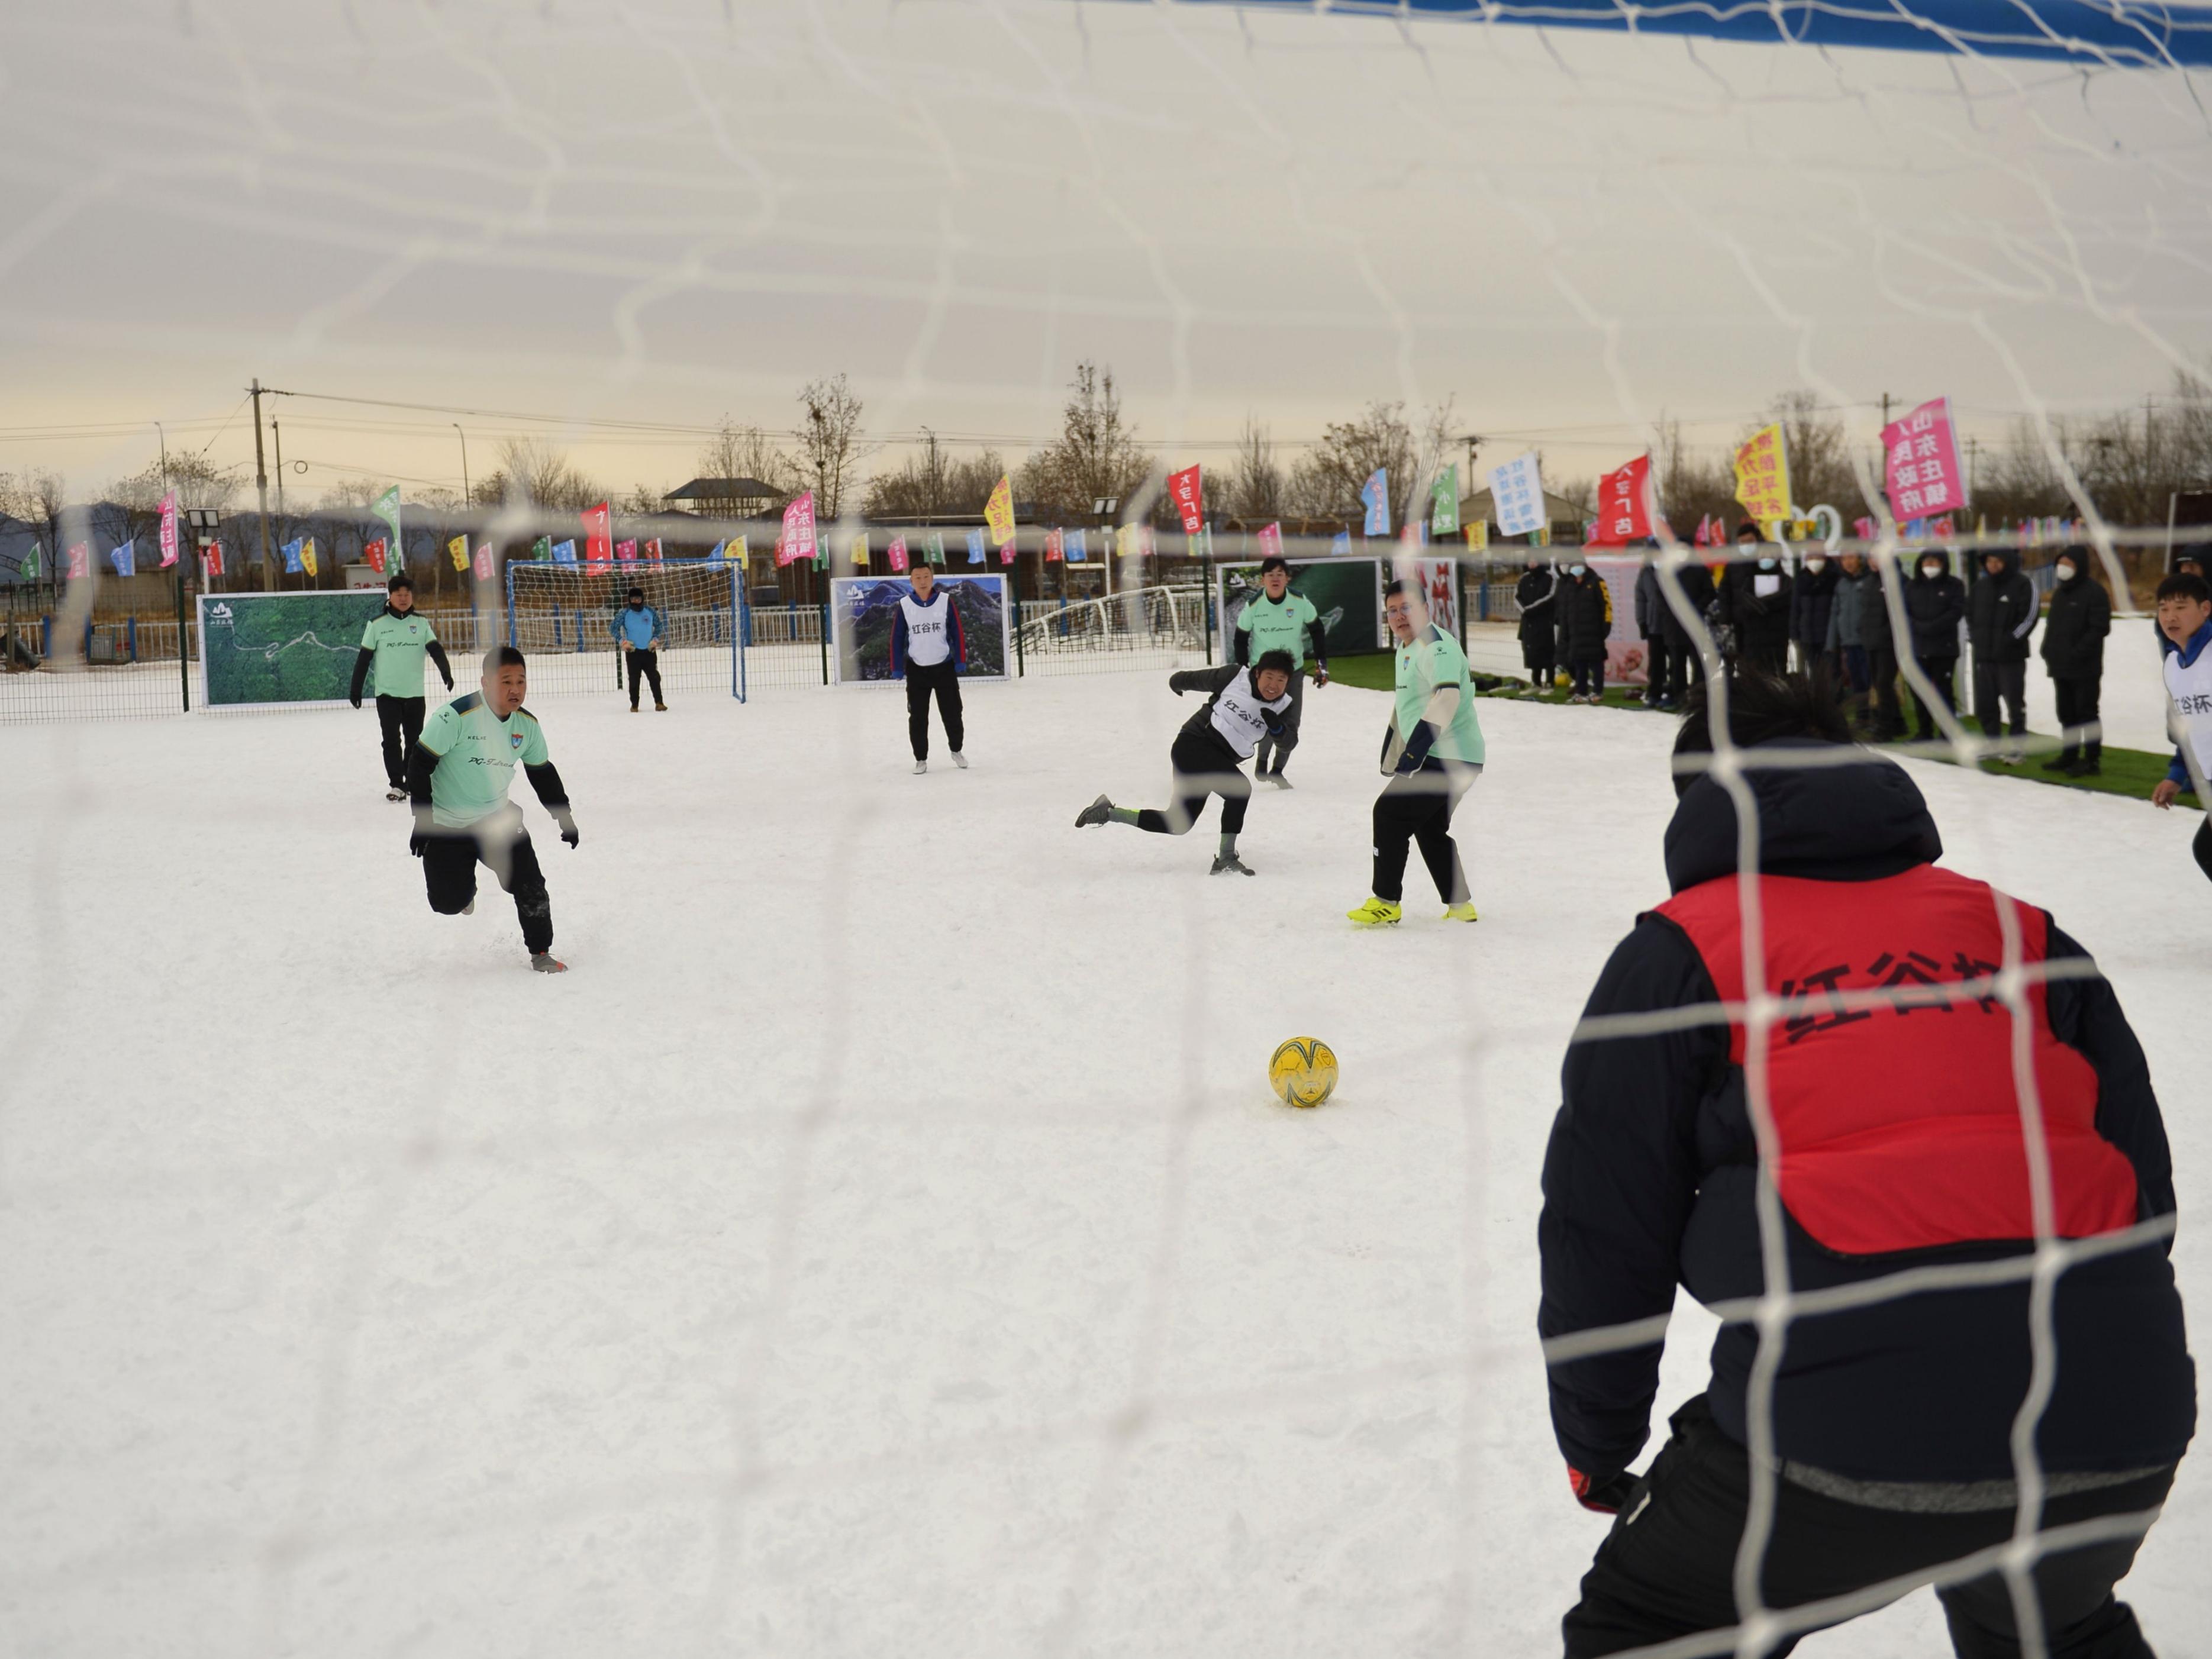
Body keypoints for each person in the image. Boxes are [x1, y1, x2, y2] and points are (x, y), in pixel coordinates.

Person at [1539, 670, 2192, 1658]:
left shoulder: (1682, 949)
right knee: (2042, 1621)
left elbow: (1604, 1218)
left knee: (1643, 1627)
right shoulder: (2014, 926)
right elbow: (2140, 1180)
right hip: (2113, 1408)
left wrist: (1597, 1442)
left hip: (1832, 1432)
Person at [407, 647, 579, 974]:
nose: (515, 689)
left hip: (498, 820)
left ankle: (540, 951)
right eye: (506, 682)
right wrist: (423, 820)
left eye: (521, 681)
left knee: (530, 886)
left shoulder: (526, 726)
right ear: (485, 683)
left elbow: (541, 772)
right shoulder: (455, 717)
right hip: (448, 825)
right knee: (447, 903)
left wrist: (564, 816)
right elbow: (419, 764)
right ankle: (464, 891)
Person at [1074, 651, 1294, 876]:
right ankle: (1226, 857)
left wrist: (1277, 729)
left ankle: (1108, 813)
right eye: (1269, 677)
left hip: (1218, 761)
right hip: (1193, 745)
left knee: (1178, 824)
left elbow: (1288, 743)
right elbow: (1196, 679)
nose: (1273, 686)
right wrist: (1177, 681)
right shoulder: (1234, 677)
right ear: (1257, 673)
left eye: (1281, 680)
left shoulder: (1284, 705)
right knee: (1239, 790)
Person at [1347, 581, 1484, 926]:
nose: (1398, 616)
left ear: (1425, 609)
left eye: (1406, 608)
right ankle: (1460, 905)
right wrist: (1396, 748)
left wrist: (1416, 751)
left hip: (1447, 757)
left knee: (1389, 813)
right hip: (1447, 756)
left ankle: (1386, 901)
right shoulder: (1407, 648)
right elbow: (1407, 706)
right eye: (1391, 611)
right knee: (1428, 827)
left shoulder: (1436, 647)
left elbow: (1447, 698)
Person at [349, 573, 454, 801]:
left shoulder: (421, 623)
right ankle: (396, 784)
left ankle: (411, 781)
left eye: (407, 594)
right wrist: (355, 689)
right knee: (391, 740)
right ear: (391, 596)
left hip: (415, 694)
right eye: (399, 595)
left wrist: (446, 672)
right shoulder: (377, 625)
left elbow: (435, 649)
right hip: (387, 694)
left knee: (414, 740)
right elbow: (364, 659)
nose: (404, 598)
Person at [1234, 555, 1329, 786]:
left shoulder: (1299, 601)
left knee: (1292, 722)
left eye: (1280, 574)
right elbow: (1240, 637)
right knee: (1268, 718)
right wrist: (1244, 669)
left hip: (1293, 672)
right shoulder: (1255, 605)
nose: (1275, 579)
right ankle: (1262, 760)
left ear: (1287, 578)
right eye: (1270, 575)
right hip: (1263, 673)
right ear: (1263, 580)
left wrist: (1321, 664)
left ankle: (1278, 770)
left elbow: (1317, 629)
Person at [2152, 572, 2212, 887]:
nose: (2170, 617)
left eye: (2180, 607)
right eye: (2163, 608)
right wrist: (2178, 773)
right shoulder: (2173, 666)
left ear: (2205, 609)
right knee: (2207, 852)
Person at [889, 562, 968, 774]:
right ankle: (921, 758)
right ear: (911, 581)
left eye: (926, 577)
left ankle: (956, 750)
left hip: (944, 667)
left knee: (953, 712)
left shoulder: (945, 601)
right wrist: (897, 667)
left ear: (932, 578)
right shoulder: (905, 604)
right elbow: (897, 638)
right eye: (918, 578)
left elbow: (957, 632)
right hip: (917, 670)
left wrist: (960, 659)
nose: (922, 582)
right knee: (918, 717)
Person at [2040, 547, 2113, 775]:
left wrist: (2078, 652)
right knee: (2066, 713)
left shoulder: (2095, 592)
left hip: (2085, 668)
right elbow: (2053, 626)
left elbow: (2100, 628)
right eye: (2061, 563)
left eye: (2069, 564)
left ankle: (2092, 760)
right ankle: (2069, 755)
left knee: (2086, 712)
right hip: (2060, 666)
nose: (2063, 568)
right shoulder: (2060, 593)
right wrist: (2047, 649)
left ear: (2080, 566)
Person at [1969, 547, 2037, 758]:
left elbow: (2029, 617)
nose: (1993, 565)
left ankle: (2018, 745)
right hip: (1984, 656)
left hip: (2011, 657)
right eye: (1989, 561)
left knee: (2014, 703)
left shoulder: (2023, 584)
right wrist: (1976, 639)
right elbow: (1969, 614)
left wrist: (2011, 640)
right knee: (1986, 703)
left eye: (1998, 561)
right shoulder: (1980, 587)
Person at [1903, 549, 1967, 741]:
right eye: (1926, 562)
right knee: (1920, 692)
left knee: (1944, 692)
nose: (1929, 566)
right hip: (1918, 648)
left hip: (1943, 649)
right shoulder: (1912, 586)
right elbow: (1904, 612)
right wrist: (1918, 627)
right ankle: (1925, 732)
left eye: (1934, 562)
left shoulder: (1955, 585)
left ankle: (1947, 733)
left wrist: (1932, 627)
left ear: (1943, 564)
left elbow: (1956, 612)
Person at [1720, 525, 1792, 675]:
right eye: (1742, 542)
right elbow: (1725, 591)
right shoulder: (1734, 564)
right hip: (1744, 622)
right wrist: (1726, 618)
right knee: (1746, 662)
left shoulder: (1783, 579)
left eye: (1750, 541)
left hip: (1773, 629)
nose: (1746, 546)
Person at [1653, 554, 1717, 708]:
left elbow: (1710, 592)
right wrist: (1671, 610)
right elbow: (1660, 595)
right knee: (1677, 664)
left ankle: (1698, 698)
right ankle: (1679, 697)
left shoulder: (1700, 569)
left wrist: (1696, 608)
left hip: (1696, 624)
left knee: (1698, 662)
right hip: (1673, 624)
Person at [1559, 559, 1613, 703]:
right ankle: (1581, 692)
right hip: (1576, 632)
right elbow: (1565, 611)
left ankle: (1598, 692)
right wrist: (1565, 631)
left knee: (1596, 663)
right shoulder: (1569, 585)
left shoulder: (1596, 581)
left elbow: (1606, 605)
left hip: (1594, 630)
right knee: (1579, 663)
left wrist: (1606, 626)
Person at [610, 584, 666, 712]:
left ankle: (659, 703)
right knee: (634, 679)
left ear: (642, 599)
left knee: (654, 677)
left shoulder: (650, 611)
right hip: (633, 652)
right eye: (633, 599)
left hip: (648, 651)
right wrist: (622, 642)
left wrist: (655, 640)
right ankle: (634, 705)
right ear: (629, 600)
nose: (636, 601)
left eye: (638, 598)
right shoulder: (624, 614)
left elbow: (659, 627)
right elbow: (612, 628)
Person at [1787, 546, 1837, 682]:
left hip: (1828, 637)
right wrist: (1794, 634)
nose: (1814, 561)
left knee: (1831, 673)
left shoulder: (1833, 578)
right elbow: (1796, 609)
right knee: (1814, 673)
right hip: (1807, 636)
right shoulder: (1802, 579)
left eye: (1818, 557)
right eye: (1811, 558)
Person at [1518, 557, 1559, 692]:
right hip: (1528, 623)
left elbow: (1551, 596)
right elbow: (1517, 597)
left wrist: (1531, 609)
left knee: (1548, 653)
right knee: (1532, 653)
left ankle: (1550, 682)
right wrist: (1524, 610)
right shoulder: (1524, 579)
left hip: (1545, 622)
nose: (1532, 564)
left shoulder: (1550, 578)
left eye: (1535, 561)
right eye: (1530, 561)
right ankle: (1536, 683)